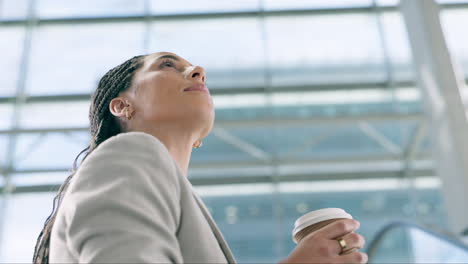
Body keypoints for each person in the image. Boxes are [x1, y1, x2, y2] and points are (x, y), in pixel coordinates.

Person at [32, 52, 368, 263]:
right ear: (122, 106)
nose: (198, 71)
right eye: (167, 65)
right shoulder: (127, 152)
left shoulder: (172, 194)